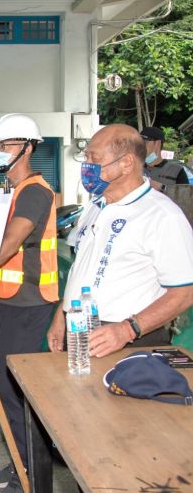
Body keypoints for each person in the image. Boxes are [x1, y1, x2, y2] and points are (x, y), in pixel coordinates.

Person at [47, 124, 193, 357]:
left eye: (94, 158)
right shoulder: (95, 207)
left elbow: (185, 292)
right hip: (80, 329)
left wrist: (129, 329)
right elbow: (82, 269)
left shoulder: (162, 215)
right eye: (86, 158)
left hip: (129, 341)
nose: (87, 166)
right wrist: (62, 314)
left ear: (126, 163)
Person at [0, 114, 59, 493]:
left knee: (23, 394)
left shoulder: (34, 191)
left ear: (28, 148)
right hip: (12, 302)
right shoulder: (10, 191)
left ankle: (31, 474)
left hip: (32, 307)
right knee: (10, 391)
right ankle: (21, 464)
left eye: (6, 145)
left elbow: (9, 245)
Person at [140, 126, 192, 190]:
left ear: (157, 144)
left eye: (144, 142)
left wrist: (163, 188)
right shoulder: (134, 169)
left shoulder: (177, 171)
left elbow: (184, 196)